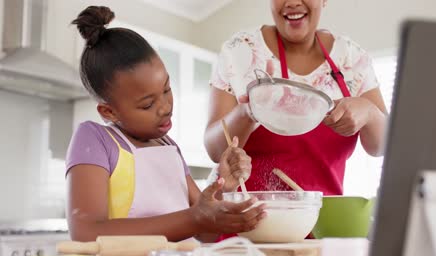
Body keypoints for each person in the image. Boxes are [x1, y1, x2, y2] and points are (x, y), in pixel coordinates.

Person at [66, 6, 266, 242]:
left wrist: (223, 186)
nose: (165, 107)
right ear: (109, 112)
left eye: (167, 90)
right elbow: (86, 232)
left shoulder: (168, 146)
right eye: (147, 104)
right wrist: (195, 218)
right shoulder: (95, 139)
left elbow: (206, 233)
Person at [204, 0, 388, 195]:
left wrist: (370, 113)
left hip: (321, 218)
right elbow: (215, 151)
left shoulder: (352, 58)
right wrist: (249, 111)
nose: (292, 2)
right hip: (246, 215)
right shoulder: (240, 51)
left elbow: (381, 146)